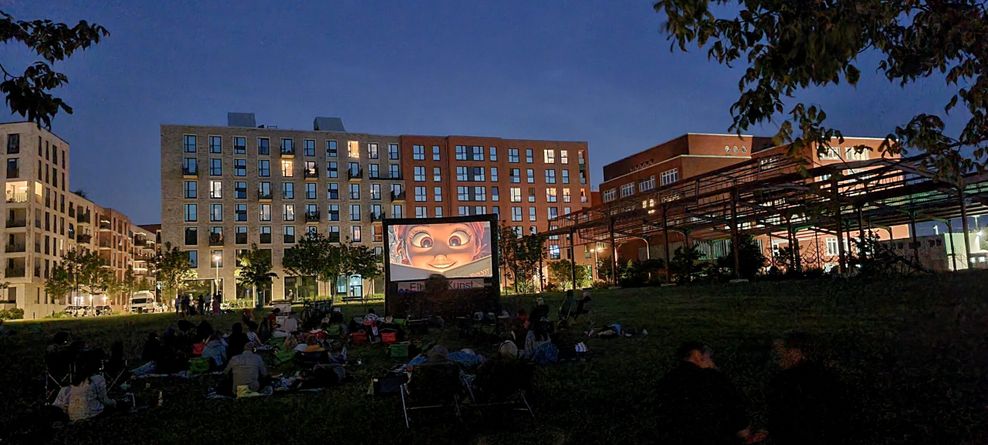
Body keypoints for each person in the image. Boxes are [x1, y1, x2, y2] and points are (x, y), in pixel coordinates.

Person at [654, 341, 763, 444]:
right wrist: (747, 436)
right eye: (709, 357)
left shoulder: (667, 380)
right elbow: (736, 412)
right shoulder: (713, 377)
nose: (712, 362)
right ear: (697, 356)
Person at [766, 332, 847, 445]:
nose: (775, 358)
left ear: (795, 353)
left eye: (779, 353)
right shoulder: (830, 377)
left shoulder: (783, 381)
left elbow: (779, 419)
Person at [61, 350, 117, 421]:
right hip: (92, 414)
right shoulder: (97, 379)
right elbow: (104, 400)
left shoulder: (76, 381)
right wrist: (114, 402)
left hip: (73, 416)